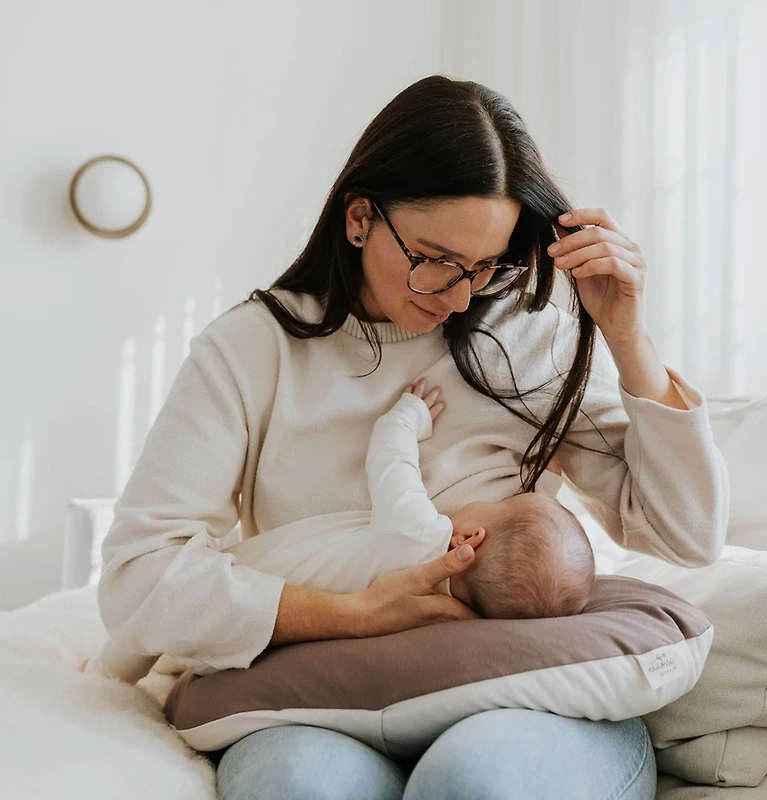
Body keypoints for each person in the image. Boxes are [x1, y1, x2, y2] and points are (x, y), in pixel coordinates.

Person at [95, 75, 729, 799]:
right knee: (302, 788)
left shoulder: (529, 340)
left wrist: (627, 335)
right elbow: (138, 579)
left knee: (476, 781)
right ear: (359, 217)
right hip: (321, 699)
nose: (459, 295)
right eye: (434, 258)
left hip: (518, 695)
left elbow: (690, 533)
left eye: (486, 266)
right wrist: (356, 614)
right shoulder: (251, 349)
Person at [84, 376, 594, 681]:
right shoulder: (452, 618)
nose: (486, 500)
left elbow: (390, 459)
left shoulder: (419, 533)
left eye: (496, 505)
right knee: (181, 646)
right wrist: (544, 486)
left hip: (235, 586)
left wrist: (409, 414)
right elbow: (524, 549)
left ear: (467, 541)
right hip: (254, 647)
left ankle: (105, 677)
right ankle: (172, 663)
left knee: (151, 625)